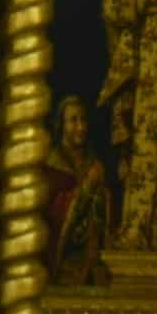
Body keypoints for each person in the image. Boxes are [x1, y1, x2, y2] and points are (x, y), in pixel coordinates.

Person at [44, 95, 112, 286]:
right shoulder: (52, 165)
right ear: (61, 125)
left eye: (83, 120)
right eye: (73, 121)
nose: (81, 127)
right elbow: (53, 214)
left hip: (91, 260)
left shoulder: (94, 164)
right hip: (62, 261)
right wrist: (87, 189)